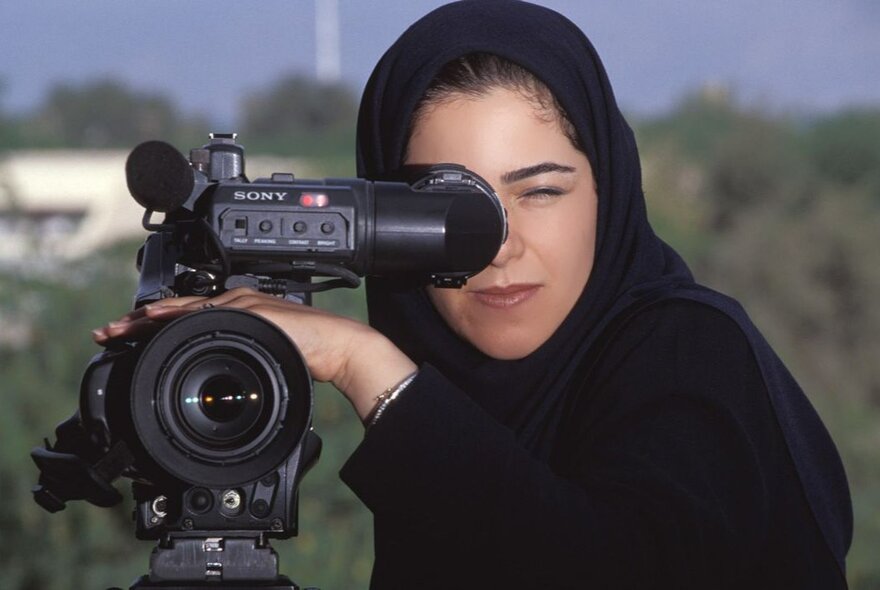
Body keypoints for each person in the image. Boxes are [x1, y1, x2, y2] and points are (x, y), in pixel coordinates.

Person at [94, 1, 852, 587]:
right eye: (447, 216)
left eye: (543, 192)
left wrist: (374, 373)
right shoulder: (463, 390)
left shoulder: (692, 351)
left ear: (610, 192)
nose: (500, 246)